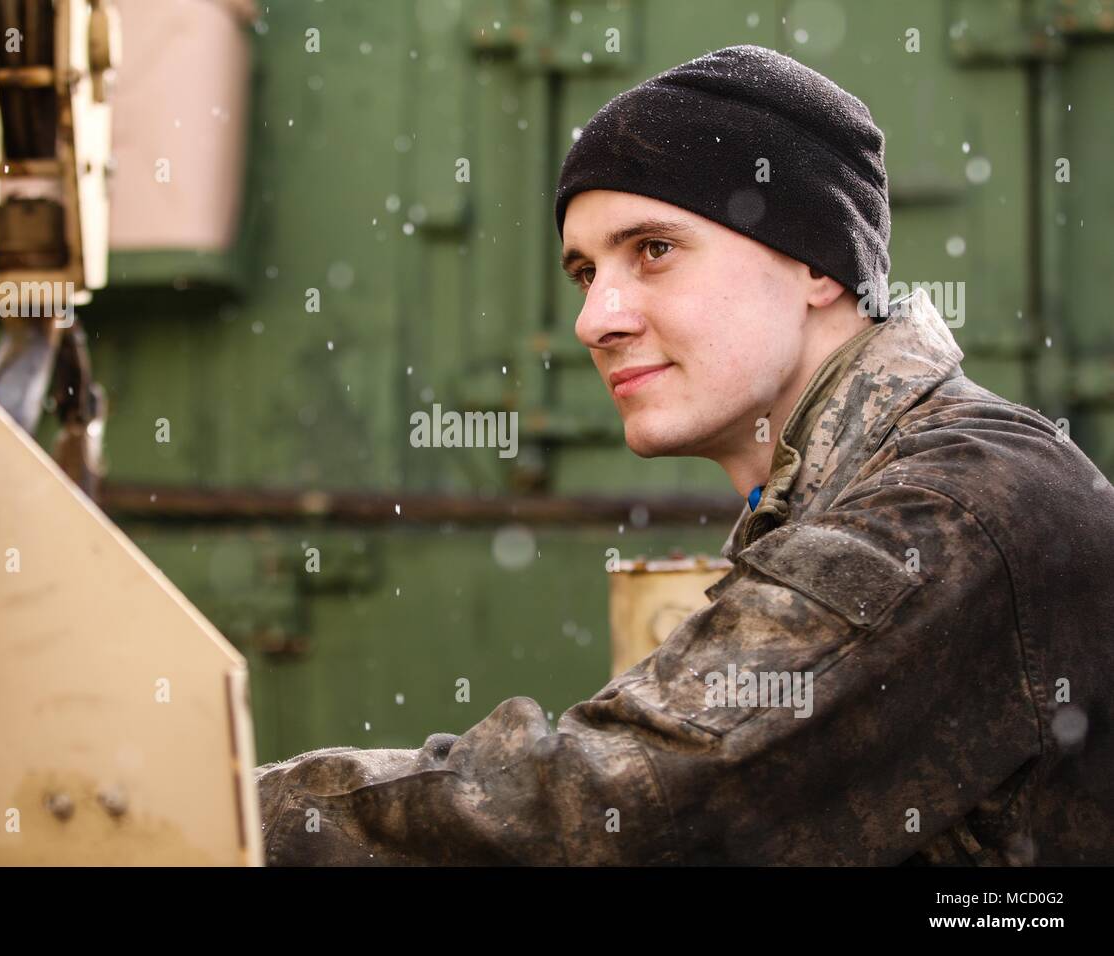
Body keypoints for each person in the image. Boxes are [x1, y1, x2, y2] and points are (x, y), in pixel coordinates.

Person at [252, 44, 1114, 865]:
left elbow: (614, 814)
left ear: (820, 264)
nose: (596, 321)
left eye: (653, 251)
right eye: (586, 272)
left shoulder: (949, 507)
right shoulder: (858, 488)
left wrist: (231, 810)